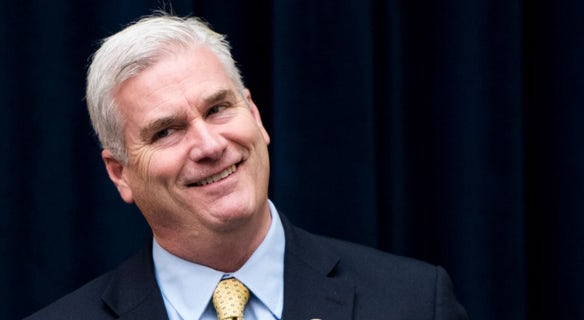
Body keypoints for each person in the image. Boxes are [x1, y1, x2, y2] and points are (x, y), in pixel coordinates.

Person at [24, 11, 469, 320]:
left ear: (254, 116)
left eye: (218, 108)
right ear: (119, 172)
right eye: (166, 132)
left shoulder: (411, 303)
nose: (209, 144)